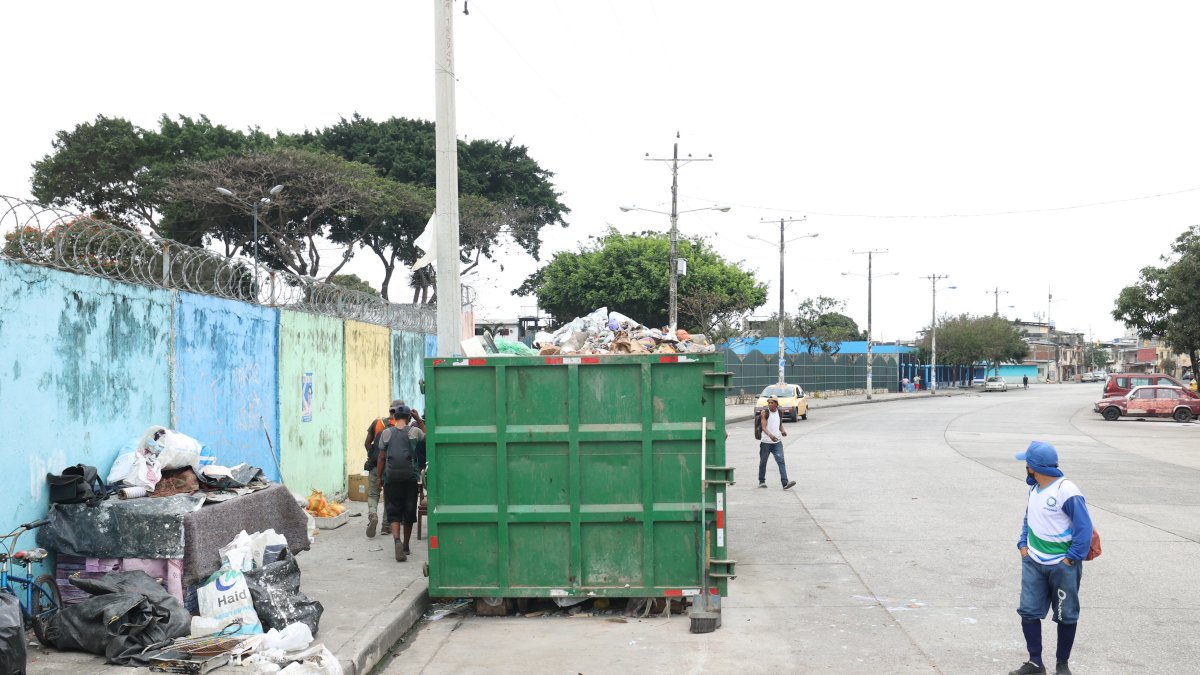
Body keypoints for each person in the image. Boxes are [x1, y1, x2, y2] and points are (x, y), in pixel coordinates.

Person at [1009, 441, 1093, 675]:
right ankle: (1035, 663)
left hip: (1062, 566)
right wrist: (1023, 545)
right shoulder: (1034, 489)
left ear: (1034, 467)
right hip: (1033, 562)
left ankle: (1062, 665)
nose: (1025, 467)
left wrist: (1070, 560)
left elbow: (1084, 528)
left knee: (1066, 616)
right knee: (1028, 612)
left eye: (1027, 463)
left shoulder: (1067, 491)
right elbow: (1029, 518)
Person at [376, 405, 427, 562]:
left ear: (395, 417)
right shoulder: (414, 431)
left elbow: (382, 457)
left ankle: (397, 540)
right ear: (408, 418)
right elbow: (428, 436)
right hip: (410, 479)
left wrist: (379, 477)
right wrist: (419, 419)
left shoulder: (386, 433)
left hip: (391, 479)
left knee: (394, 512)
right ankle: (405, 546)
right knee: (409, 513)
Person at [363, 400, 403, 538]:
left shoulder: (377, 423)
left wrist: (373, 455)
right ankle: (386, 526)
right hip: (392, 467)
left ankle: (373, 514)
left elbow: (367, 443)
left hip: (375, 464)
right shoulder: (401, 426)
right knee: (389, 496)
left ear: (390, 410)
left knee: (373, 494)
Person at [758, 397, 796, 490]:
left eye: (772, 403)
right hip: (766, 442)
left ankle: (785, 483)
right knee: (763, 461)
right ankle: (761, 481)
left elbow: (780, 425)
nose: (770, 404)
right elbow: (763, 427)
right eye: (769, 402)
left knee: (781, 460)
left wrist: (783, 431)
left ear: (776, 404)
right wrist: (770, 435)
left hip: (777, 442)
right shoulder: (764, 412)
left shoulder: (779, 412)